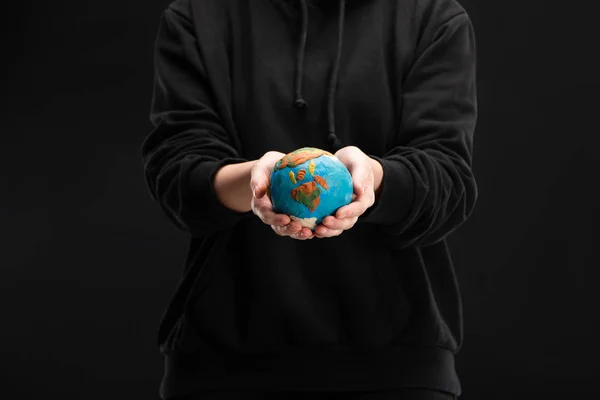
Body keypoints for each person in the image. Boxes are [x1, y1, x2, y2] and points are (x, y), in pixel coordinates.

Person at [141, 0, 477, 398]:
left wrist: (374, 180)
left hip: (396, 369)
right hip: (224, 367)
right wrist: (255, 182)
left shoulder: (431, 17)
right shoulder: (197, 16)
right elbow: (176, 175)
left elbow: (449, 181)